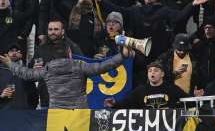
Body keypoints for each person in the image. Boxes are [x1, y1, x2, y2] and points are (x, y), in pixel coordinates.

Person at [0, 44, 133, 109]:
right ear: (69, 53)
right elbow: (103, 66)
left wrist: (10, 63)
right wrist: (122, 56)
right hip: (79, 114)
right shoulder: (78, 65)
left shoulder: (47, 68)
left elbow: (26, 74)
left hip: (56, 114)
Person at [105, 61, 187, 109]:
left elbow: (188, 101)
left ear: (162, 74)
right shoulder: (140, 90)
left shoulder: (172, 88)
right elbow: (126, 103)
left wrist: (196, 96)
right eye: (150, 71)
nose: (152, 72)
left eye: (156, 70)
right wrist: (114, 104)